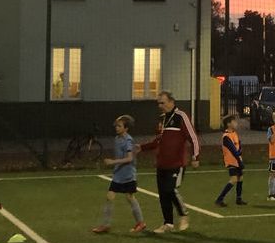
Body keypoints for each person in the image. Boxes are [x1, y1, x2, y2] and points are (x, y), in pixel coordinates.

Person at [138, 91, 200, 234]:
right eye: (158, 103)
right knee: (163, 195)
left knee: (170, 189)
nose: (160, 106)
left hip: (177, 164)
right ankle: (168, 223)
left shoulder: (181, 116)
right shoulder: (162, 120)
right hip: (162, 164)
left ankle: (183, 215)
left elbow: (193, 137)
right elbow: (158, 141)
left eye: (163, 102)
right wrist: (141, 148)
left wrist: (196, 156)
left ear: (171, 101)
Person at [92, 115, 145, 234]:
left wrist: (113, 162)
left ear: (126, 128)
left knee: (130, 197)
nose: (116, 127)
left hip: (128, 175)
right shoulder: (117, 139)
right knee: (109, 196)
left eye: (119, 126)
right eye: (116, 125)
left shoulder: (128, 140)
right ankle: (106, 225)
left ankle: (140, 223)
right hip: (118, 175)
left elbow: (129, 158)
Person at [214, 114, 247, 207]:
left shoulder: (234, 133)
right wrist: (239, 160)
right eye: (234, 121)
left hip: (237, 159)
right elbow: (233, 150)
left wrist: (240, 153)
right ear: (228, 124)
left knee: (240, 178)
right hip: (231, 160)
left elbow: (238, 146)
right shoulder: (226, 136)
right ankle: (219, 199)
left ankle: (239, 199)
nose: (236, 123)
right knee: (233, 179)